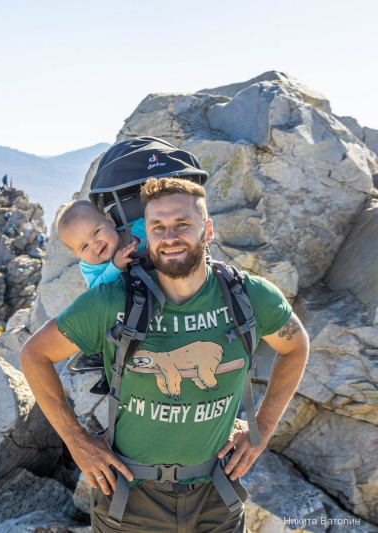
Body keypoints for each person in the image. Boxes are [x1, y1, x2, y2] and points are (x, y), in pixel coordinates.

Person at [20, 176, 309, 532]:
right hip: (130, 504)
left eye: (183, 224)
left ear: (208, 230)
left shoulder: (248, 295)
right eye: (158, 227)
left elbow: (296, 347)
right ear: (146, 235)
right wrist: (76, 440)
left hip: (216, 501)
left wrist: (261, 427)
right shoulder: (113, 300)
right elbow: (34, 354)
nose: (170, 236)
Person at [57, 200, 146, 289]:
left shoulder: (141, 227)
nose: (95, 245)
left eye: (96, 232)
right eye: (85, 246)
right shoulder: (90, 267)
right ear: (77, 254)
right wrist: (116, 266)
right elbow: (96, 291)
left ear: (110, 221)